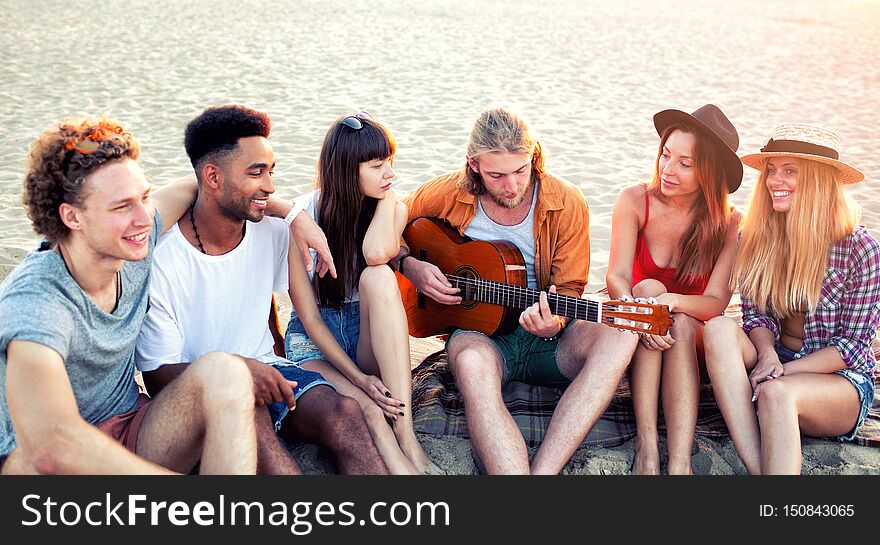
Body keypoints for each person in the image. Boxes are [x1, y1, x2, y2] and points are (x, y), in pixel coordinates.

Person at [135, 105, 388, 475]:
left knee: (345, 414)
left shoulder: (273, 229)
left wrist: (274, 356)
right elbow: (158, 377)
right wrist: (242, 374)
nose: (270, 186)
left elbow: (263, 300)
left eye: (271, 171)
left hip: (269, 367)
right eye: (256, 173)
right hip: (204, 388)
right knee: (258, 430)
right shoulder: (162, 259)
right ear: (213, 177)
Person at [0, 117, 259, 474]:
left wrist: (290, 214)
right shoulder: (36, 302)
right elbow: (52, 444)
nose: (143, 217)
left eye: (145, 197)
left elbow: (202, 184)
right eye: (122, 206)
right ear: (72, 217)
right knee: (26, 464)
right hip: (54, 464)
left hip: (131, 431)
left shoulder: (129, 242)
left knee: (226, 372)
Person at [398, 106, 639, 475]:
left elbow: (571, 287)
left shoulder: (567, 201)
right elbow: (387, 225)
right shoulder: (446, 193)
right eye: (497, 175)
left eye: (520, 171)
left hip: (549, 340)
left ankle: (544, 471)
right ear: (473, 164)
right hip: (481, 336)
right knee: (471, 363)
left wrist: (555, 321)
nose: (511, 186)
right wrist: (409, 265)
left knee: (624, 330)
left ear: (534, 157)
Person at [704, 124, 879, 475]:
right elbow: (756, 317)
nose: (774, 181)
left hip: (837, 383)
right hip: (775, 359)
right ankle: (760, 471)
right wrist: (768, 355)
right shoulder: (754, 236)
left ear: (818, 180)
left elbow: (854, 348)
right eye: (771, 170)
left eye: (790, 171)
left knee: (776, 394)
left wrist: (784, 371)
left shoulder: (860, 248)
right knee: (719, 329)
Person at [283, 111, 439, 475]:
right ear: (347, 168)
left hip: (367, 337)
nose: (390, 174)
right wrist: (358, 378)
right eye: (377, 165)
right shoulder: (303, 217)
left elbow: (374, 255)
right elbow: (307, 317)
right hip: (314, 343)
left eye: (391, 162)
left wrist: (387, 203)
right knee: (367, 405)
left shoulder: (391, 209)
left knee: (380, 277)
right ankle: (401, 466)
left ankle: (408, 438)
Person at [605, 104, 743, 475]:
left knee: (675, 319)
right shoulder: (634, 200)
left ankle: (680, 461)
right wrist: (640, 313)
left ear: (709, 172)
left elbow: (715, 304)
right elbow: (616, 277)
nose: (668, 169)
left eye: (685, 163)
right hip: (640, 332)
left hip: (692, 341)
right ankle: (647, 445)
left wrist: (672, 304)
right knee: (648, 293)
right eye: (666, 155)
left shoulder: (731, 224)